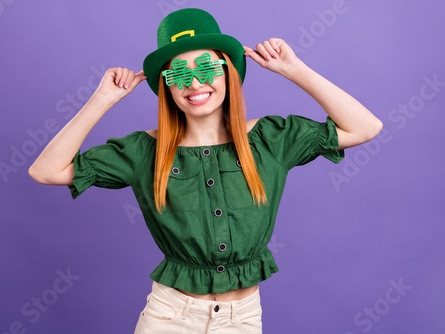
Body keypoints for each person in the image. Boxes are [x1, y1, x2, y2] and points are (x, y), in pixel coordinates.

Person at [29, 8, 382, 334]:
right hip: (168, 317)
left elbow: (364, 127)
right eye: (179, 73)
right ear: (167, 85)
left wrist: (294, 69)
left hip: (241, 320)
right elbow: (46, 170)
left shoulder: (271, 139)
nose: (194, 84)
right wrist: (101, 99)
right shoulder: (142, 151)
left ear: (228, 72)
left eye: (207, 68)